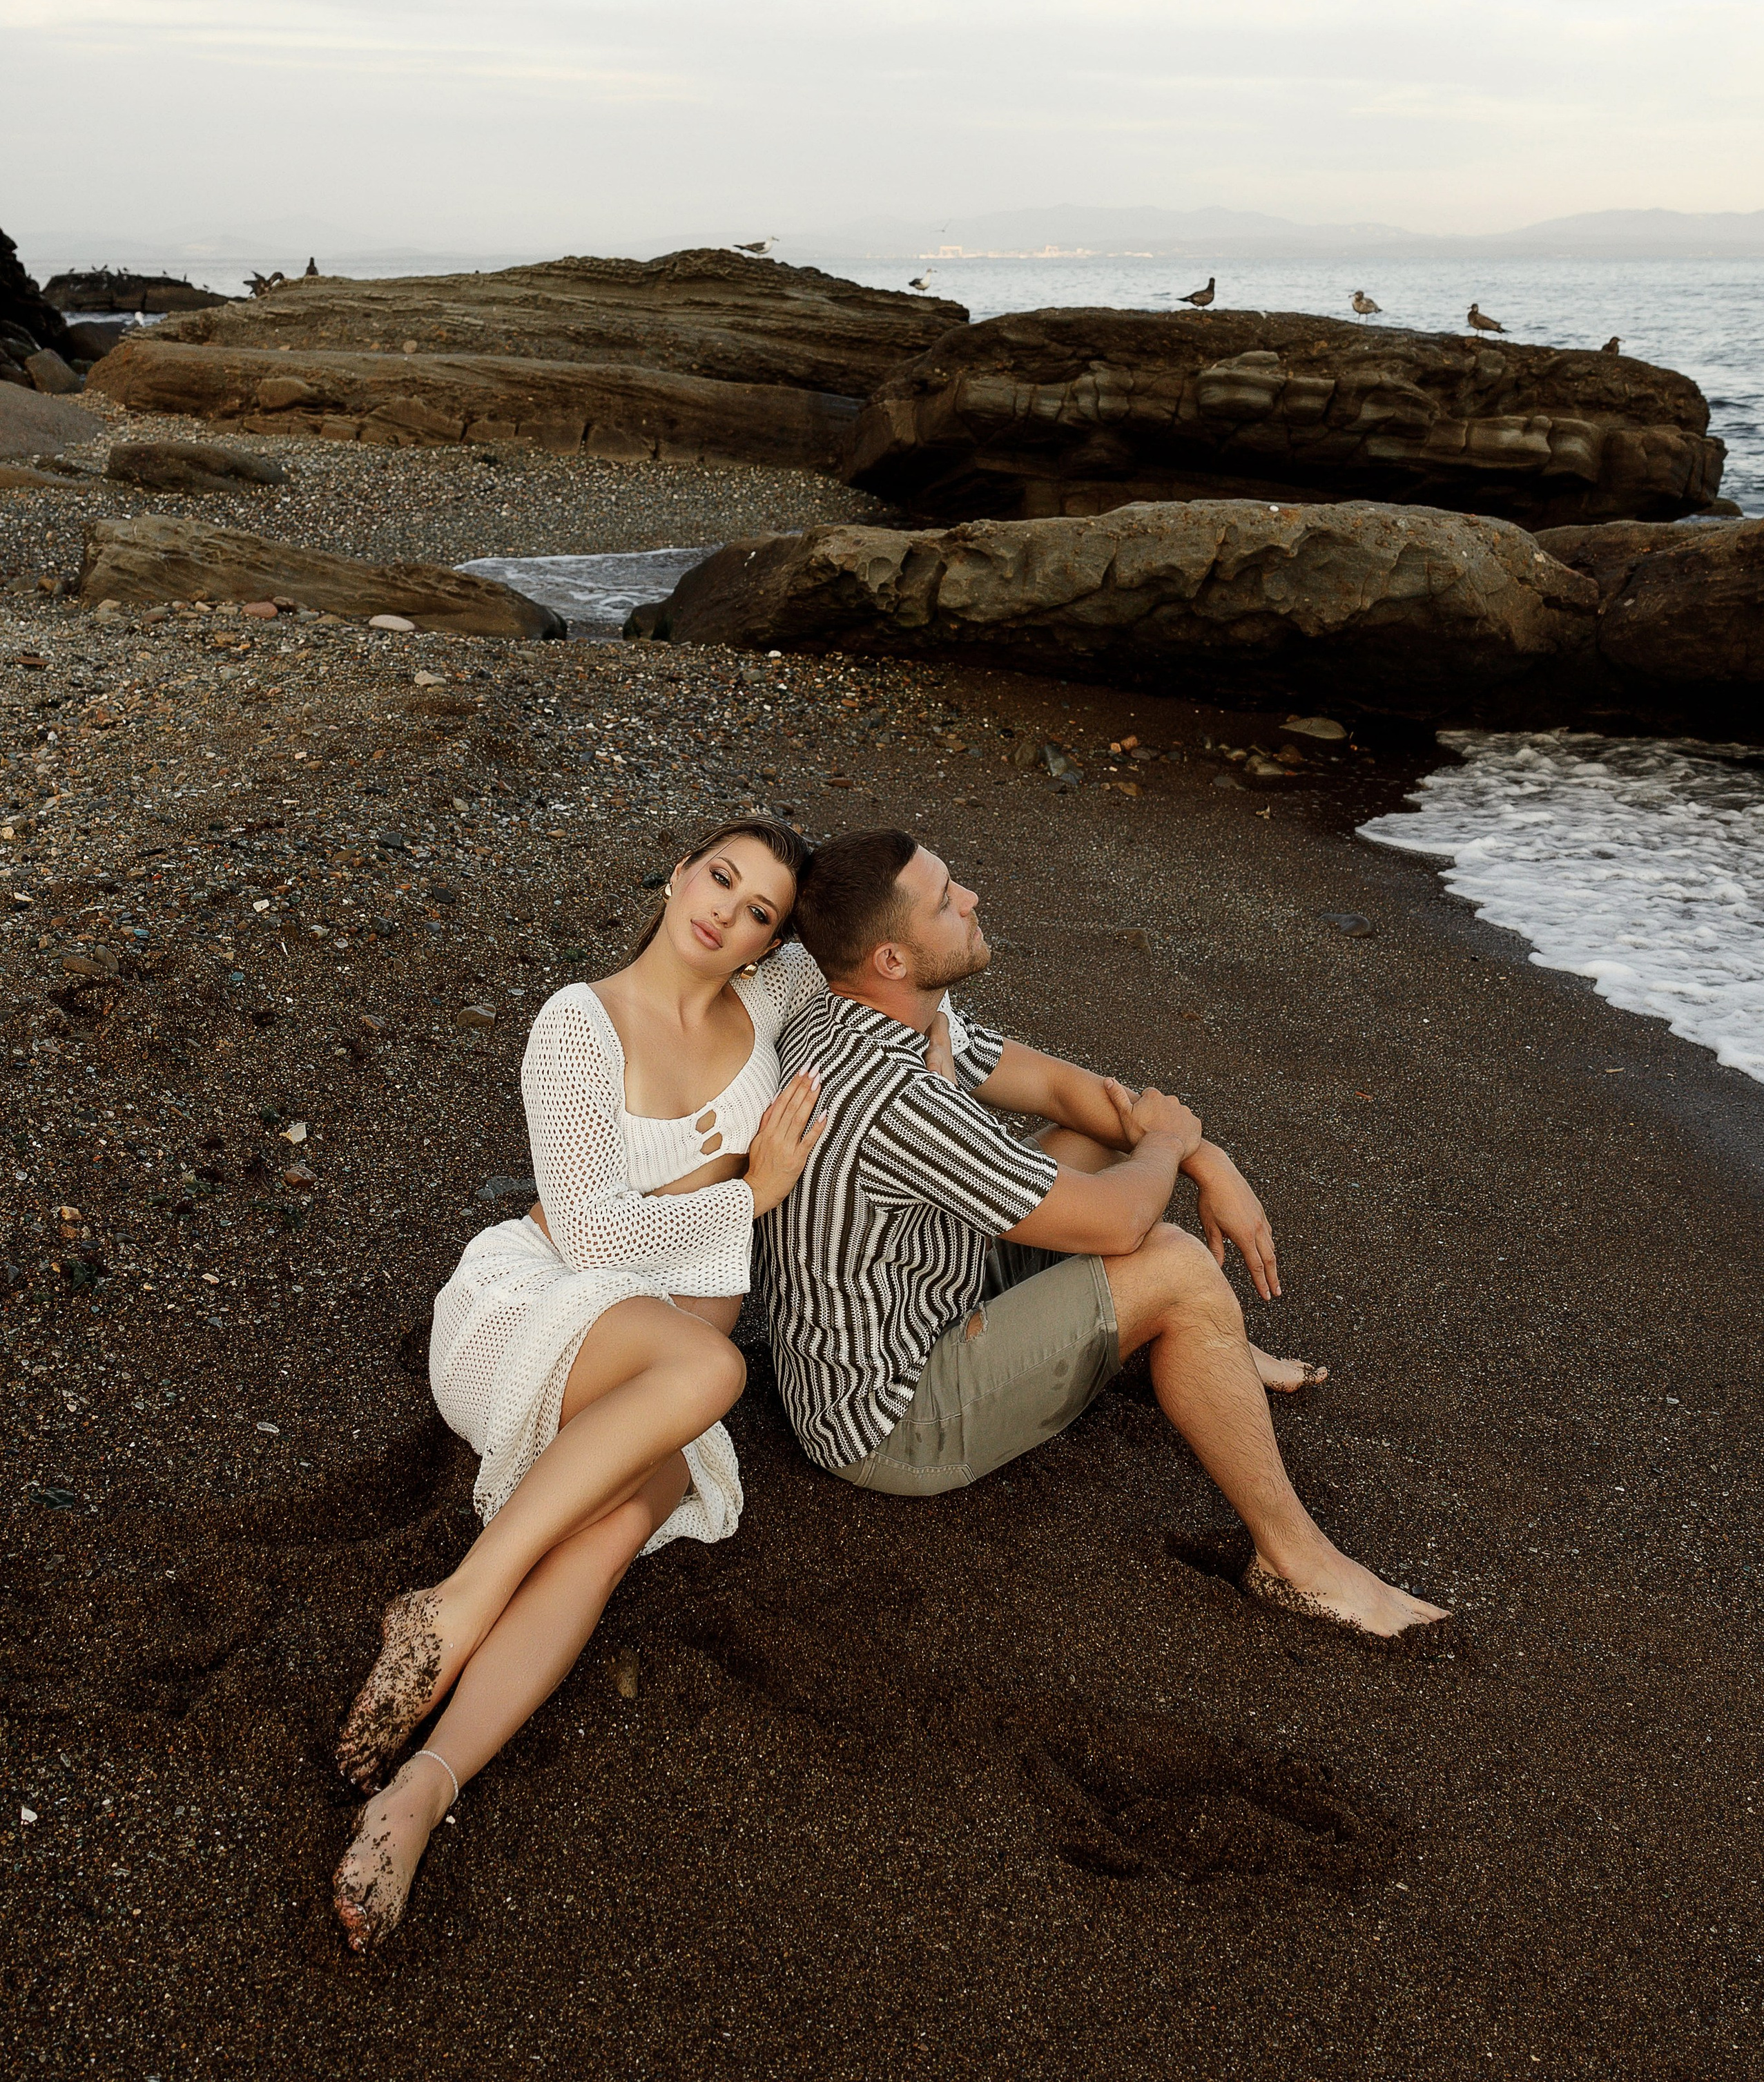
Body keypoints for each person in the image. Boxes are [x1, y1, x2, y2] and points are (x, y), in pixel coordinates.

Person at [331, 816, 833, 1951]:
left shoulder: (764, 1001)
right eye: (720, 877)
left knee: (608, 1543)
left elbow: (867, 930)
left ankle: (422, 1793)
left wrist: (962, 1048)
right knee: (711, 1362)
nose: (728, 912)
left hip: (661, 1392)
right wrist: (754, 1190)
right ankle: (450, 1604)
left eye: (759, 909)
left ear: (767, 941)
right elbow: (599, 1228)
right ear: (676, 873)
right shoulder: (579, 1023)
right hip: (532, 1315)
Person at [758, 829, 1446, 1638]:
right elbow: (1123, 1221)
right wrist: (1167, 1146)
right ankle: (1297, 1561)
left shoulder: (873, 1012)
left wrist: (1205, 1156)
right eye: (946, 900)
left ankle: (1210, 1349)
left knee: (1100, 1140)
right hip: (889, 1417)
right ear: (893, 961)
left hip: (921, 1280)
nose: (971, 898)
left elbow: (1062, 1088)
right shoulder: (897, 1097)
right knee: (1178, 1266)